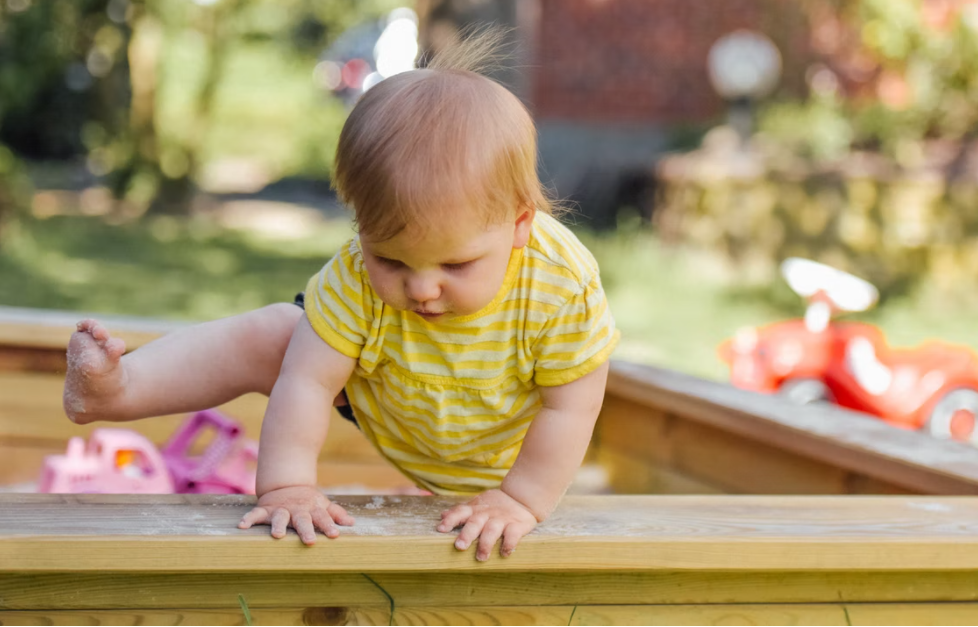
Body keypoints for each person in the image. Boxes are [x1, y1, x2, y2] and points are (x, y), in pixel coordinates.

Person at [60, 29, 619, 561]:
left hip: (507, 445)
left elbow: (572, 405)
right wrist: (287, 487)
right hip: (393, 396)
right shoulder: (353, 275)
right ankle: (118, 389)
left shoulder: (558, 286)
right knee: (278, 334)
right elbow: (307, 382)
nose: (422, 288)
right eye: (391, 260)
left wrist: (520, 499)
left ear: (520, 225)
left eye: (457, 263)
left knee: (546, 429)